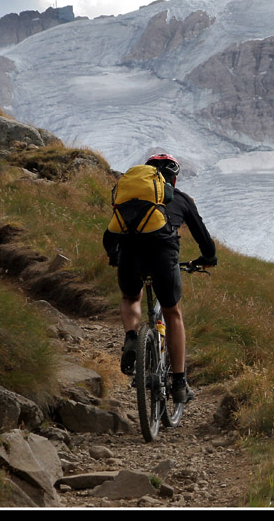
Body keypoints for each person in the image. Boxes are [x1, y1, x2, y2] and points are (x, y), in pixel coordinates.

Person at [103, 153, 217, 403]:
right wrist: (208, 257)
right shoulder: (181, 199)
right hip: (163, 256)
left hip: (130, 255)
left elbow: (109, 237)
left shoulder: (129, 201)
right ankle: (179, 383)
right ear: (172, 180)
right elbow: (204, 238)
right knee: (172, 312)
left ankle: (132, 338)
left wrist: (115, 256)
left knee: (131, 296)